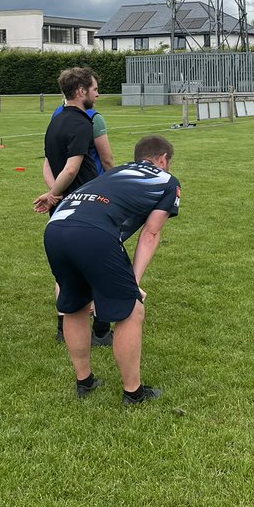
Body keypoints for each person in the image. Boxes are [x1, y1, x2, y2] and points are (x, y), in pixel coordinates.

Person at [36, 135, 180, 405]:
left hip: (56, 227)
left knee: (74, 305)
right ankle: (133, 393)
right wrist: (133, 282)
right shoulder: (166, 181)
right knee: (131, 310)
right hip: (93, 233)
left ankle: (85, 382)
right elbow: (151, 233)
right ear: (163, 160)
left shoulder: (116, 172)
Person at [40, 67, 109, 343]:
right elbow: (71, 169)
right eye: (94, 89)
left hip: (62, 209)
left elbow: (48, 163)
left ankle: (63, 328)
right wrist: (54, 194)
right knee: (97, 266)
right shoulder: (83, 123)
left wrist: (53, 194)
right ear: (81, 91)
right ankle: (102, 331)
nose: (97, 94)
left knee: (66, 270)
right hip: (83, 207)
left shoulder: (55, 120)